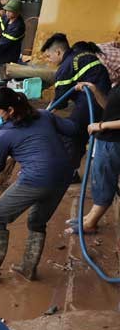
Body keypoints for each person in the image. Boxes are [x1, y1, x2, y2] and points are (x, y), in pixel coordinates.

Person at [0, 88, 78, 281]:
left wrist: (4, 155)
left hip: (35, 179)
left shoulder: (3, 135)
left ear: (11, 110)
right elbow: (72, 130)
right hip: (64, 175)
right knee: (37, 222)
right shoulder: (45, 115)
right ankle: (28, 268)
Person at [41, 34, 112, 170]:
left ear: (58, 52)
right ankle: (71, 169)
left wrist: (43, 115)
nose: (48, 60)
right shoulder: (80, 54)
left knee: (71, 133)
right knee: (80, 135)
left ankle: (67, 172)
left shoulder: (65, 67)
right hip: (106, 101)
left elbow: (60, 102)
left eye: (49, 56)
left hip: (92, 103)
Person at [64, 82, 120, 235]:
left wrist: (102, 126)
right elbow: (109, 108)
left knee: (104, 181)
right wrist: (95, 91)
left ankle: (91, 222)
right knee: (98, 178)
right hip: (106, 139)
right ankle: (89, 217)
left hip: (114, 142)